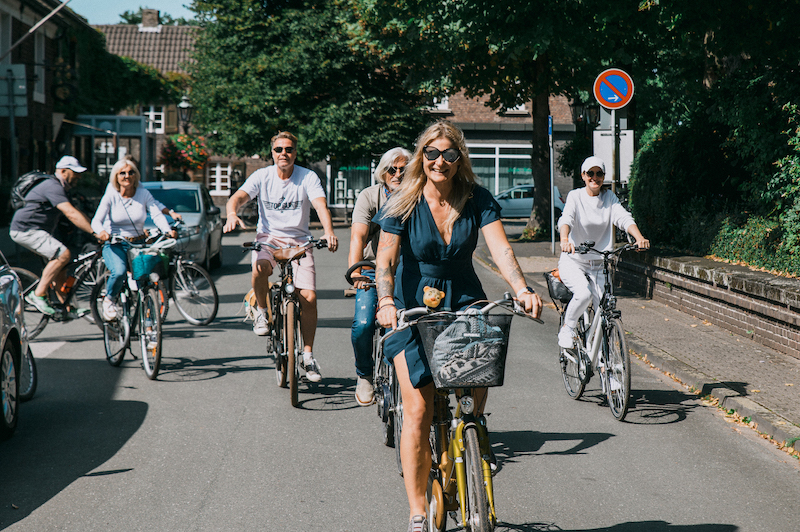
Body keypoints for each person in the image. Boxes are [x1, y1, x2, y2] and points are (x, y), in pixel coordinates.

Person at [374, 120, 542, 532]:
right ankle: (417, 513)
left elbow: (500, 247)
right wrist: (384, 302)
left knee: (476, 385)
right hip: (412, 306)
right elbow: (385, 261)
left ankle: (464, 443)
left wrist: (521, 288)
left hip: (465, 298)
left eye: (449, 154)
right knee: (416, 409)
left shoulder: (477, 198)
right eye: (431, 153)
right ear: (421, 157)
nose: (440, 161)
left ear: (459, 158)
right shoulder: (402, 201)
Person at [224, 131, 338, 383]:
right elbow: (238, 197)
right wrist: (232, 213)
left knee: (308, 296)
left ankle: (307, 356)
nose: (283, 154)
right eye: (278, 150)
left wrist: (329, 232)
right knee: (260, 268)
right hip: (269, 238)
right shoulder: (262, 176)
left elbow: (320, 205)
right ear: (272, 153)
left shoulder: (307, 176)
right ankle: (262, 311)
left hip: (299, 241)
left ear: (295, 153)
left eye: (288, 149)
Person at [556, 155, 650, 349]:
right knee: (583, 294)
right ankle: (568, 328)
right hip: (574, 260)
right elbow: (566, 219)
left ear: (604, 176)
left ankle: (604, 364)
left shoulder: (609, 198)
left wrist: (639, 237)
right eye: (590, 173)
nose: (595, 177)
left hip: (599, 263)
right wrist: (565, 240)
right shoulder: (576, 196)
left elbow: (623, 218)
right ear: (583, 175)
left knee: (605, 310)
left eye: (599, 173)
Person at [348, 147, 411, 406]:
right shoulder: (369, 196)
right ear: (382, 173)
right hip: (373, 268)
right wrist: (356, 270)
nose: (397, 174)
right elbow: (358, 236)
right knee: (363, 324)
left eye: (403, 170)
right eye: (391, 169)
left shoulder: (417, 196)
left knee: (411, 324)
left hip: (407, 270)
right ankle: (364, 374)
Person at [10, 156, 99, 317]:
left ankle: (66, 309)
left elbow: (76, 213)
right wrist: (95, 232)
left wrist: (96, 227)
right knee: (63, 254)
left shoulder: (59, 187)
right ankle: (37, 295)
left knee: (61, 267)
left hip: (36, 231)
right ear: (63, 171)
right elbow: (71, 213)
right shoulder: (53, 186)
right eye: (75, 172)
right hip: (26, 229)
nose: (78, 176)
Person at [90, 158, 177, 322]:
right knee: (120, 271)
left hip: (137, 244)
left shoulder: (143, 194)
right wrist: (101, 232)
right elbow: (96, 221)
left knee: (147, 278)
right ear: (116, 177)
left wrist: (167, 230)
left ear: (136, 176)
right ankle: (109, 299)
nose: (127, 176)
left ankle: (148, 317)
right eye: (122, 173)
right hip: (115, 244)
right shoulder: (111, 196)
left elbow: (156, 213)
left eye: (130, 172)